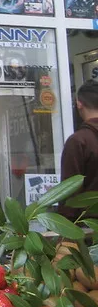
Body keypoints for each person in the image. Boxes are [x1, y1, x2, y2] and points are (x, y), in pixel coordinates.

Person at [60, 80, 98, 219]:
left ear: (79, 103)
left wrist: (65, 233)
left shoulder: (79, 141)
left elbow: (69, 192)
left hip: (88, 231)